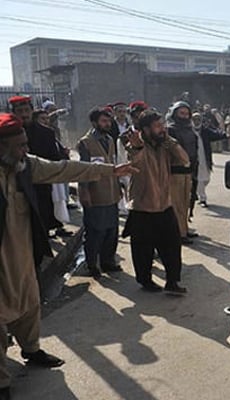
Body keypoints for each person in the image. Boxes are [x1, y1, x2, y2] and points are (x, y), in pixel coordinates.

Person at [0, 113, 136, 400]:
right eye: (19, 145)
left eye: (26, 143)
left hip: (24, 253)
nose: (26, 149)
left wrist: (111, 170)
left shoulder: (26, 166)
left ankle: (31, 349)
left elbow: (64, 169)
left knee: (29, 303)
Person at [122, 109, 189, 295]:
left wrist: (168, 140)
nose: (162, 129)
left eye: (163, 125)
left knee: (172, 246)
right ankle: (145, 281)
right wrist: (137, 147)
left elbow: (184, 160)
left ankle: (172, 282)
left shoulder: (165, 145)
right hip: (143, 207)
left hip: (165, 206)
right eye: (158, 126)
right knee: (143, 250)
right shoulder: (136, 146)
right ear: (145, 129)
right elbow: (136, 159)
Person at [9, 96, 72, 238]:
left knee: (41, 226)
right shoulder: (7, 135)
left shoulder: (47, 133)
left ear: (31, 111)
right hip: (16, 189)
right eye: (20, 111)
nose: (24, 114)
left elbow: (55, 161)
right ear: (14, 113)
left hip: (41, 187)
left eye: (26, 110)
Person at [77, 107, 123, 279]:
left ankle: (108, 261)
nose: (107, 124)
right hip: (95, 194)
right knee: (95, 231)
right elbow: (83, 170)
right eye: (104, 121)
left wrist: (119, 187)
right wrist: (84, 191)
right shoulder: (85, 143)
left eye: (109, 121)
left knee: (112, 230)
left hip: (111, 192)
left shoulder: (110, 140)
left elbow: (113, 164)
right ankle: (92, 264)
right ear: (95, 123)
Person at [166, 102, 196, 244]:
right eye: (181, 113)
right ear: (175, 114)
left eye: (186, 113)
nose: (184, 116)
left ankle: (184, 228)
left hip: (188, 172)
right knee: (177, 204)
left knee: (186, 203)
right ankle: (180, 233)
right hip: (175, 172)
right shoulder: (170, 130)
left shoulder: (190, 130)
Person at [192, 112, 228, 207]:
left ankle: (196, 190)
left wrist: (224, 134)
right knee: (200, 178)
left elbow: (215, 134)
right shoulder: (189, 131)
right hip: (194, 159)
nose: (196, 121)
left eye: (198, 119)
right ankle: (203, 198)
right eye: (194, 119)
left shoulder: (205, 131)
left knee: (206, 179)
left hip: (205, 157)